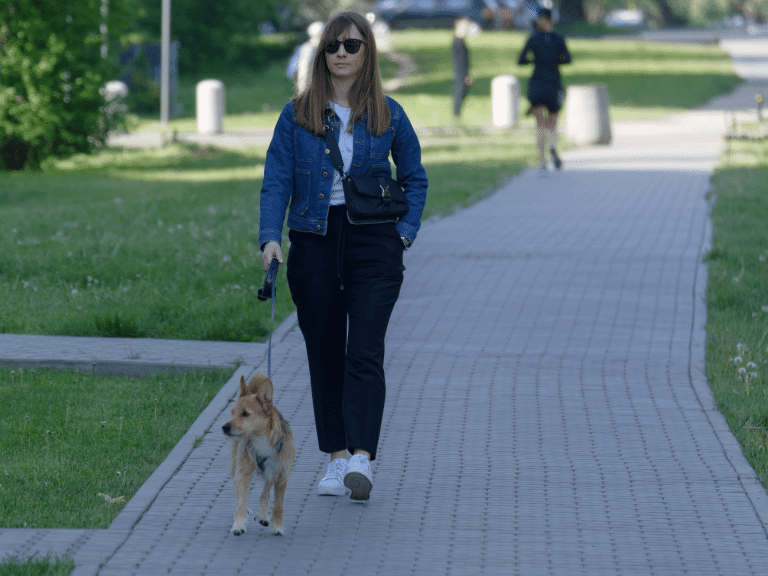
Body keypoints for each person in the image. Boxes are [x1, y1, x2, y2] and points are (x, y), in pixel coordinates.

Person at [259, 11, 428, 502]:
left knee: (365, 350)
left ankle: (362, 458)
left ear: (367, 52)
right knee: (325, 351)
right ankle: (336, 458)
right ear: (322, 53)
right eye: (332, 46)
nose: (340, 53)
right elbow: (277, 180)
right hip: (313, 240)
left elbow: (414, 178)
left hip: (374, 242)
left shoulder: (389, 114)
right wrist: (270, 237)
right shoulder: (297, 114)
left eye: (351, 45)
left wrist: (403, 235)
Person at [517, 7, 571, 174]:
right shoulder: (558, 39)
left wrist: (534, 60)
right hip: (553, 83)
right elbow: (567, 59)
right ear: (551, 21)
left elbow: (521, 60)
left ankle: (542, 160)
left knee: (540, 124)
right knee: (552, 122)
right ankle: (553, 147)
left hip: (537, 83)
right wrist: (555, 60)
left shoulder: (533, 39)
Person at [452, 18, 474, 118]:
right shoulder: (459, 43)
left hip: (460, 71)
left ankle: (457, 112)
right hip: (461, 71)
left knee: (461, 90)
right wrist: (466, 75)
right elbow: (462, 60)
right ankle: (456, 112)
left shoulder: (457, 41)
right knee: (461, 91)